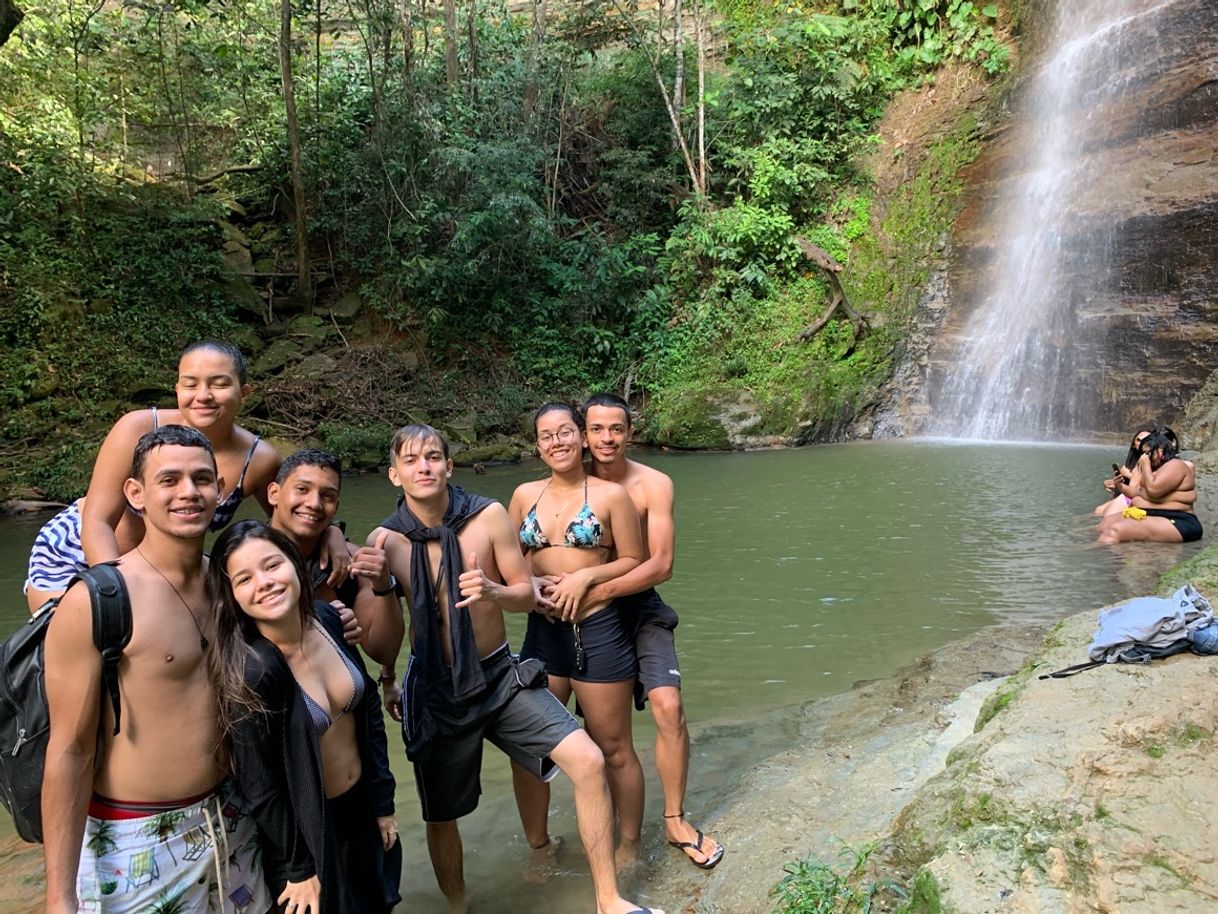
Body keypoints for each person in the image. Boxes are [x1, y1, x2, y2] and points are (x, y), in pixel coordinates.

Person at [369, 424, 663, 914]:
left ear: (449, 466)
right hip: (437, 687)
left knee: (588, 761)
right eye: (412, 459)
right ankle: (460, 905)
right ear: (394, 475)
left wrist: (492, 591)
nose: (425, 466)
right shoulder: (385, 542)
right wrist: (380, 594)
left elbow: (526, 595)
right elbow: (385, 641)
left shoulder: (486, 516)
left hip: (499, 676)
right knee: (442, 815)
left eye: (434, 456)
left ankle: (609, 900)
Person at [42, 425, 271, 914]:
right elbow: (69, 750)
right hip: (135, 836)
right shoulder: (97, 600)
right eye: (169, 480)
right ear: (136, 493)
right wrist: (59, 896)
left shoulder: (232, 584)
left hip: (233, 816)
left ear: (221, 490)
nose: (189, 492)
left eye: (202, 479)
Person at [23, 340, 349, 613]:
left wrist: (331, 533)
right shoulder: (137, 428)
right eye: (190, 384)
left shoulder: (258, 459)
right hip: (80, 552)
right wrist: (115, 591)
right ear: (177, 388)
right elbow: (97, 521)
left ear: (245, 391)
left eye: (219, 383)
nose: (203, 395)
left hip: (165, 568)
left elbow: (287, 521)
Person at [208, 520, 401, 914]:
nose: (264, 582)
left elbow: (367, 715)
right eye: (244, 579)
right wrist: (298, 867)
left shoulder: (328, 620)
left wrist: (383, 803)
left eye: (272, 565)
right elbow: (260, 784)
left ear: (295, 564)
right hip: (307, 831)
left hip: (361, 806)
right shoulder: (254, 669)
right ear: (231, 595)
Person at [581, 392, 724, 870]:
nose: (607, 438)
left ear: (630, 433)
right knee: (604, 734)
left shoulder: (654, 484)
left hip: (639, 607)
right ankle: (605, 829)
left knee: (669, 704)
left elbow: (660, 564)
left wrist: (604, 591)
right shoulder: (570, 484)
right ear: (584, 434)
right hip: (587, 614)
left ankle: (674, 818)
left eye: (615, 429)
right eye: (597, 429)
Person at [509, 403, 649, 870]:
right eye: (546, 436)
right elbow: (506, 563)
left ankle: (628, 845)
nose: (558, 442)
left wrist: (585, 579)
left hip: (599, 630)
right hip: (542, 633)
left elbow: (633, 559)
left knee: (613, 747)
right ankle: (540, 848)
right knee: (532, 749)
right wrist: (528, 584)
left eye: (566, 432)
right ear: (537, 445)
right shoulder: (523, 494)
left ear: (581, 438)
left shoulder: (610, 496)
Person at [266, 449, 404, 676]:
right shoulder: (242, 555)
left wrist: (383, 584)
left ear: (336, 506)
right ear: (274, 493)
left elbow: (384, 653)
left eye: (327, 496)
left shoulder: (351, 561)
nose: (314, 503)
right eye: (302, 489)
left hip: (341, 694)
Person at [1097, 428, 1203, 544]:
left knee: (1115, 530)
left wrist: (1145, 465)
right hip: (1153, 514)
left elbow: (1153, 490)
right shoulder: (1154, 470)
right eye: (1143, 453)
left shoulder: (1176, 465)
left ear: (1160, 450)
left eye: (1147, 453)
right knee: (1105, 524)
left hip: (1179, 521)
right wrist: (1120, 486)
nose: (1144, 457)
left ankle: (1107, 560)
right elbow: (1138, 492)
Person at [1093, 425, 1157, 518]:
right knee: (1098, 510)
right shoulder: (1131, 464)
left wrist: (1128, 474)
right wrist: (1114, 483)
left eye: (1147, 440)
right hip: (1127, 496)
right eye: (1138, 440)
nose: (1142, 442)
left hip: (1138, 499)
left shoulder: (1155, 461)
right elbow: (1128, 486)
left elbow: (1151, 483)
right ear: (1134, 445)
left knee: (1102, 511)